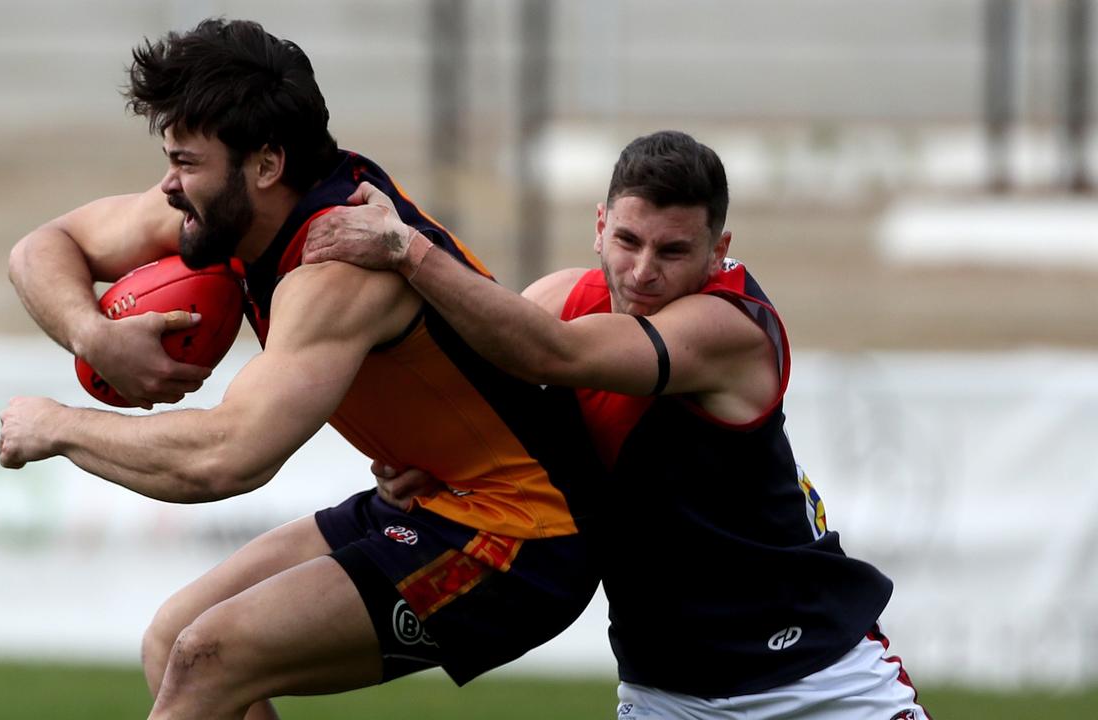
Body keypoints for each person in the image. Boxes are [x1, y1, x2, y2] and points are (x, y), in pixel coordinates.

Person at [0, 19, 602, 720]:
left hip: (526, 531)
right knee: (172, 642)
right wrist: (92, 335)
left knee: (207, 659)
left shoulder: (337, 267)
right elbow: (43, 246)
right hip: (434, 495)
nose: (167, 185)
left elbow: (228, 460)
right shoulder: (225, 214)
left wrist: (60, 427)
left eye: (187, 162)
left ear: (265, 165)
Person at [302, 130, 930, 720]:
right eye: (629, 240)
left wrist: (406, 245)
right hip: (666, 690)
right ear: (599, 228)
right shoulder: (558, 303)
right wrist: (418, 462)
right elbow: (475, 400)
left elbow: (552, 355)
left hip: (818, 681)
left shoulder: (727, 329)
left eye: (674, 250)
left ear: (719, 252)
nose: (643, 271)